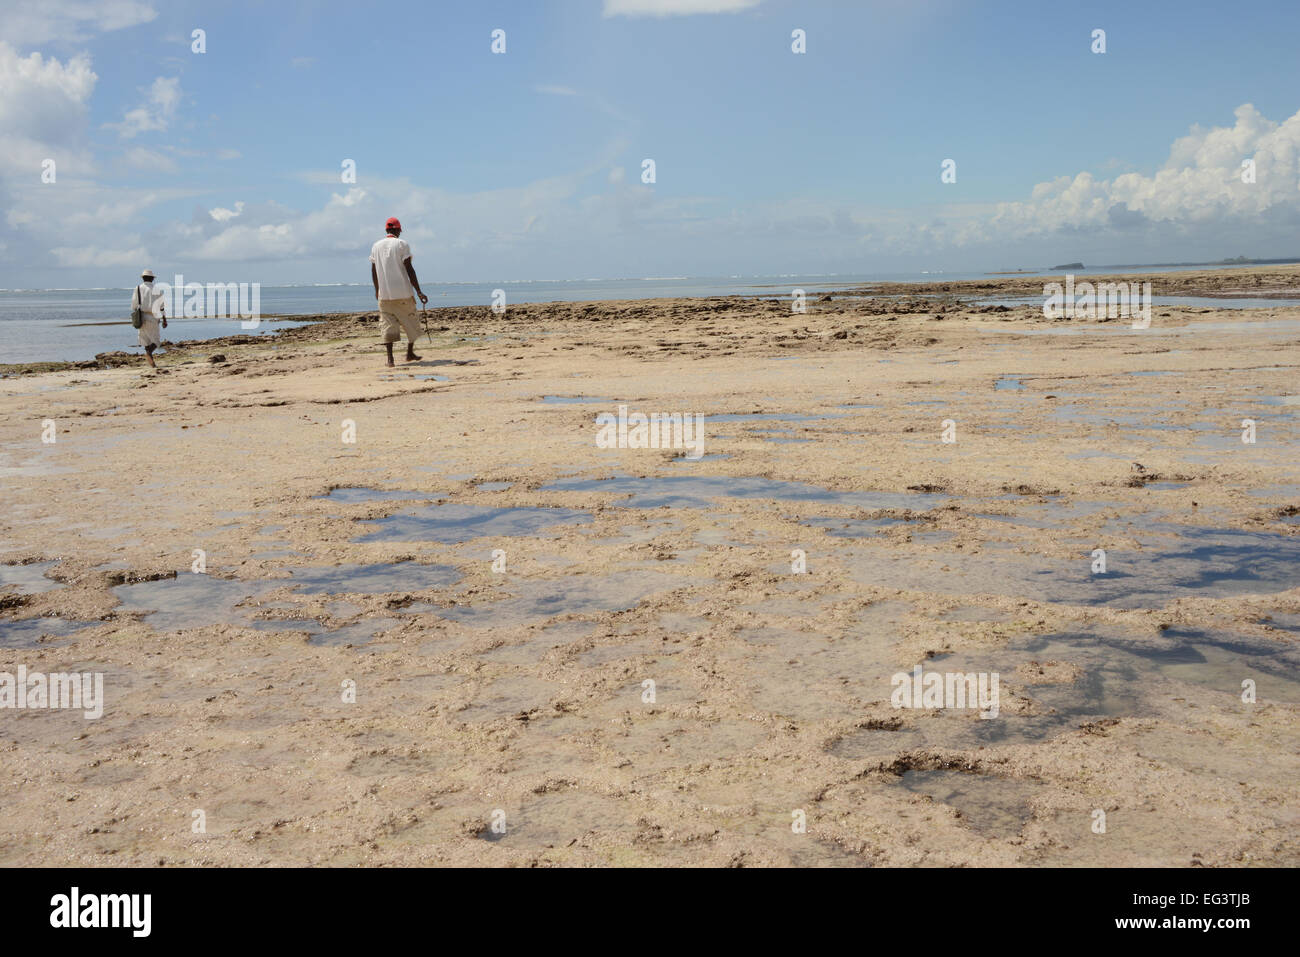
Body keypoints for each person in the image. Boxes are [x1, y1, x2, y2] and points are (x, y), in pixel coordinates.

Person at [369, 217, 429, 366]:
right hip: (403, 293)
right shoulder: (402, 244)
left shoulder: (376, 246)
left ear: (386, 230)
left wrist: (377, 290)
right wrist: (419, 291)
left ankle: (390, 360)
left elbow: (374, 270)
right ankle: (409, 353)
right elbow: (409, 269)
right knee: (411, 322)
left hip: (385, 295)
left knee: (388, 326)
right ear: (397, 230)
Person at [131, 268, 167, 368]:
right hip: (154, 317)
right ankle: (149, 356)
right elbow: (162, 306)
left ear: (143, 278)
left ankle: (151, 360)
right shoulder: (157, 290)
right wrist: (164, 319)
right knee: (156, 341)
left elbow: (134, 306)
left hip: (142, 317)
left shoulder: (138, 288)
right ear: (152, 279)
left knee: (145, 341)